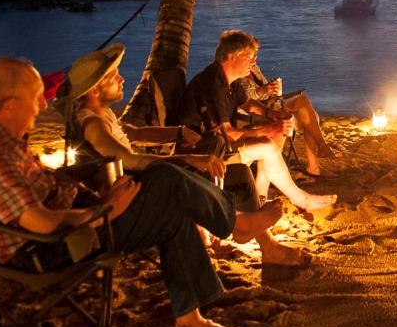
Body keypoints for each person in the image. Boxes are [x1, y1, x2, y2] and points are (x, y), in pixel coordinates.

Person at [0, 57, 281, 327]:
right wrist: (104, 209)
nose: (43, 105)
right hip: (51, 245)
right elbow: (41, 223)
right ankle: (236, 223)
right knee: (166, 178)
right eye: (35, 97)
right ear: (9, 106)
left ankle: (189, 323)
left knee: (173, 211)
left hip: (76, 212)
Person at [67, 43, 311, 268]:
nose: (121, 79)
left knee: (240, 173)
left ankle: (266, 245)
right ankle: (234, 223)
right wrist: (188, 159)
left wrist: (179, 131)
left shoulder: (102, 114)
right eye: (113, 77)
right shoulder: (93, 124)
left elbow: (134, 133)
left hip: (144, 183)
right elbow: (130, 160)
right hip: (137, 195)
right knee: (210, 154)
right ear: (94, 89)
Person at [183, 29, 336, 217]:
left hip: (219, 143)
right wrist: (267, 129)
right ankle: (299, 199)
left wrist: (272, 114)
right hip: (204, 152)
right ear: (231, 57)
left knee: (270, 140)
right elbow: (226, 133)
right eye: (248, 57)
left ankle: (260, 197)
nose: (252, 62)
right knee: (267, 146)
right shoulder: (213, 84)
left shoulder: (231, 80)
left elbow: (247, 103)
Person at [240, 61, 336, 177]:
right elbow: (241, 99)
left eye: (255, 55)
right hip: (254, 115)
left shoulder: (254, 68)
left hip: (272, 105)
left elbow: (268, 94)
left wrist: (274, 90)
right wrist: (263, 90)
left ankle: (316, 162)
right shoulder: (237, 73)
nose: (253, 59)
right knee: (308, 115)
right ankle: (317, 156)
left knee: (306, 109)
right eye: (250, 55)